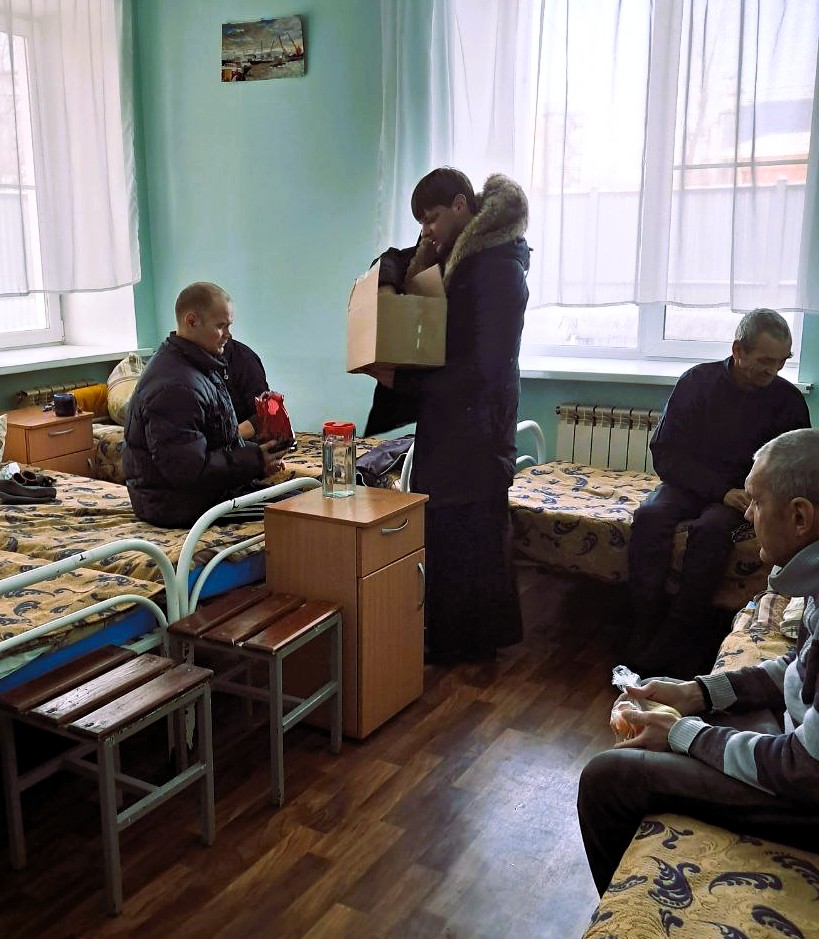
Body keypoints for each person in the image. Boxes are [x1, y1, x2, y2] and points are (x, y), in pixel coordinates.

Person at [578, 427, 819, 896]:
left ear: (799, 517)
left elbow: (805, 770)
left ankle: (641, 907)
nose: (747, 514)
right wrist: (697, 692)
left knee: (607, 778)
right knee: (693, 712)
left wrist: (682, 733)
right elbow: (797, 667)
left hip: (809, 793)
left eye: (756, 501)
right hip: (801, 753)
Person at [361, 167, 530, 664]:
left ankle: (468, 646)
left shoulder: (499, 269)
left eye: (431, 218)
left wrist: (402, 381)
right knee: (447, 526)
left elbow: (484, 369)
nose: (426, 230)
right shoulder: (460, 253)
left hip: (479, 424)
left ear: (460, 205)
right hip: (451, 416)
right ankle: (454, 639)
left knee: (471, 532)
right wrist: (387, 289)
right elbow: (394, 258)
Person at [627, 308, 810, 677]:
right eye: (765, 361)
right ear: (738, 350)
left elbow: (794, 467)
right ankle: (640, 623)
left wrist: (748, 494)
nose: (773, 371)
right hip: (689, 482)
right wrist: (719, 489)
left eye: (781, 362)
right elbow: (665, 452)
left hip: (744, 493)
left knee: (711, 531)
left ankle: (679, 632)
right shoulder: (697, 382)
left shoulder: (787, 400)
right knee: (649, 517)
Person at [123, 281, 287, 527]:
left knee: (301, 504)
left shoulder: (198, 367)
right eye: (221, 326)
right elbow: (187, 471)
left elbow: (216, 442)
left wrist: (257, 462)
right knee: (298, 515)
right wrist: (255, 459)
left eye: (229, 326)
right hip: (178, 507)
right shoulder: (175, 386)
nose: (228, 334)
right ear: (191, 321)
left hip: (200, 496)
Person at [222, 337, 270, 440]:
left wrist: (226, 439)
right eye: (219, 327)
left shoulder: (243, 359)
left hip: (237, 440)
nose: (228, 334)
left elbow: (263, 414)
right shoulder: (185, 363)